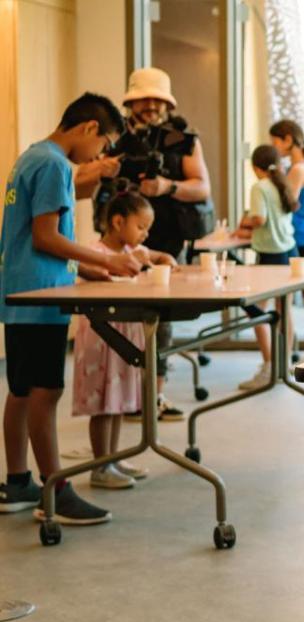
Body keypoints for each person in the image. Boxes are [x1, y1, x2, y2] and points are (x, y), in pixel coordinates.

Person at [0, 92, 143, 521]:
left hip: (21, 292)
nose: (98, 155)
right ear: (89, 130)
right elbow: (46, 236)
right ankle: (55, 492)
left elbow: (31, 239)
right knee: (47, 392)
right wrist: (105, 258)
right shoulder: (55, 164)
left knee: (22, 392)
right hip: (41, 298)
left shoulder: (32, 156)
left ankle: (19, 482)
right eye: (102, 145)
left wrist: (81, 273)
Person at [112, 67, 214, 422]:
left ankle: (154, 395)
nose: (152, 105)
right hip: (117, 239)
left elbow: (202, 187)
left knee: (160, 319)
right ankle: (121, 395)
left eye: (158, 98)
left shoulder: (181, 137)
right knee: (118, 318)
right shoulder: (116, 137)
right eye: (145, 98)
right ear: (131, 100)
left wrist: (166, 187)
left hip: (167, 238)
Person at [73, 191, 177, 489]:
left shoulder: (133, 250)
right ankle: (100, 465)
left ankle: (114, 459)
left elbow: (155, 255)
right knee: (102, 405)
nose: (145, 234)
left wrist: (163, 257)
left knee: (117, 401)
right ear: (118, 222)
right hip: (101, 338)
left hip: (122, 337)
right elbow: (95, 275)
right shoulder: (94, 253)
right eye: (141, 226)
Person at [234, 144, 298, 391]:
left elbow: (259, 219)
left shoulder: (259, 187)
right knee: (285, 310)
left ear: (255, 167)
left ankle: (269, 365)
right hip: (289, 252)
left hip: (271, 256)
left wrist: (244, 221)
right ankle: (284, 363)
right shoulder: (281, 184)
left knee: (256, 311)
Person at [269, 119, 304, 361]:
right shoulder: (303, 166)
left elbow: (286, 203)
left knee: (291, 297)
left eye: (276, 142)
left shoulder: (297, 169)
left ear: (288, 139)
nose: (274, 148)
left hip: (298, 237)